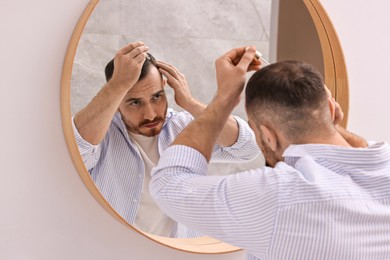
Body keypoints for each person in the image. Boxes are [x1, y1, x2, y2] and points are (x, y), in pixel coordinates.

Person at [150, 46, 390, 259]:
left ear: (267, 136)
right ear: (330, 106)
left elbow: (169, 184)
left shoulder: (279, 195)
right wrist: (332, 125)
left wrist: (224, 99)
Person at [72, 42, 260, 238]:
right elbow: (74, 150)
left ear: (164, 86)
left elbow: (247, 149)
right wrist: (117, 85)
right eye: (135, 102)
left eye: (156, 97)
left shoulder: (183, 127)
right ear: (117, 99)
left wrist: (189, 102)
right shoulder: (100, 134)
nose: (151, 114)